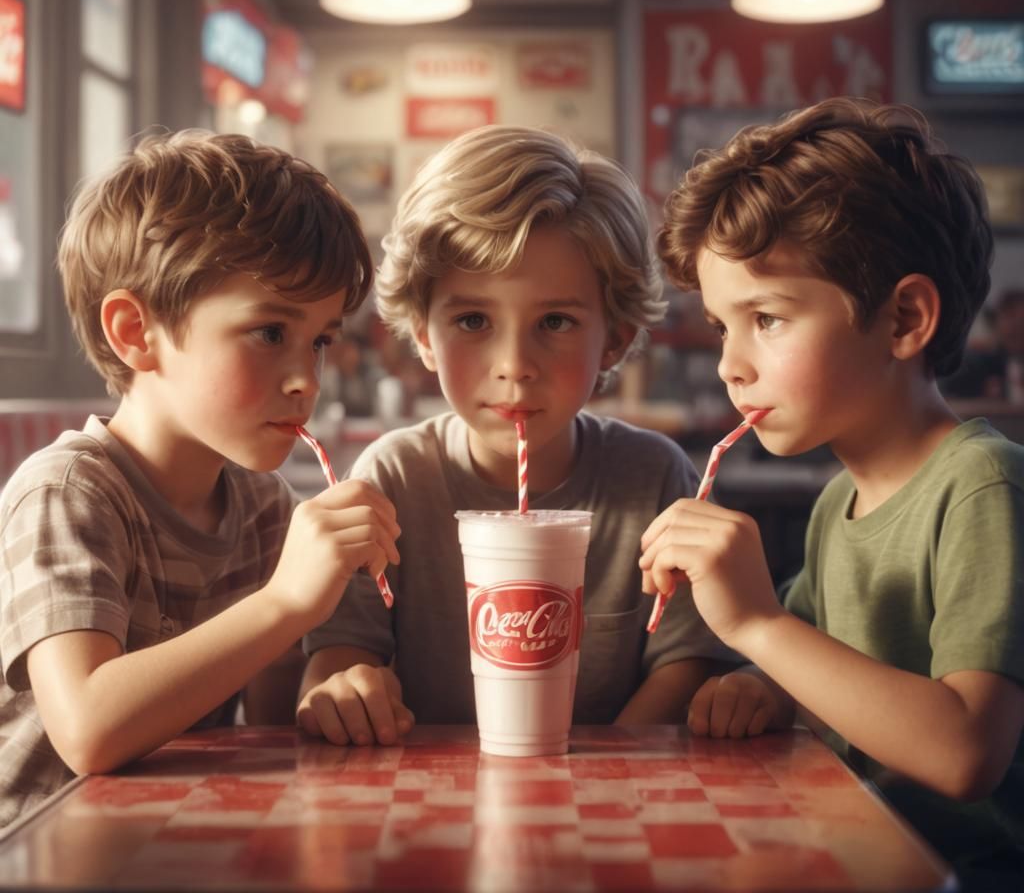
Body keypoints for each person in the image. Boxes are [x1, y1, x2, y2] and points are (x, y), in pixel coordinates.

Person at [642, 97, 1024, 890]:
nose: (731, 365)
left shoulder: (981, 487)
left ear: (904, 318)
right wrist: (759, 688)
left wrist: (757, 625)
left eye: (767, 318)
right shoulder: (837, 503)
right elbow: (816, 678)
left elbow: (964, 753)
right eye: (721, 326)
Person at [0, 131, 400, 829]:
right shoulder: (69, 492)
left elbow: (270, 730)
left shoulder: (264, 508)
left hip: (165, 839)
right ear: (135, 332)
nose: (307, 380)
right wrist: (286, 602)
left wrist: (333, 696)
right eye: (270, 333)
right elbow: (88, 729)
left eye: (320, 340)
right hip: (38, 850)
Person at [298, 124, 737, 745]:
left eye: (554, 321)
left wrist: (593, 772)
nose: (514, 365)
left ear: (613, 338)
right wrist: (345, 692)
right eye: (472, 320)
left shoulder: (654, 480)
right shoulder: (393, 479)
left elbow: (686, 665)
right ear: (424, 335)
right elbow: (339, 659)